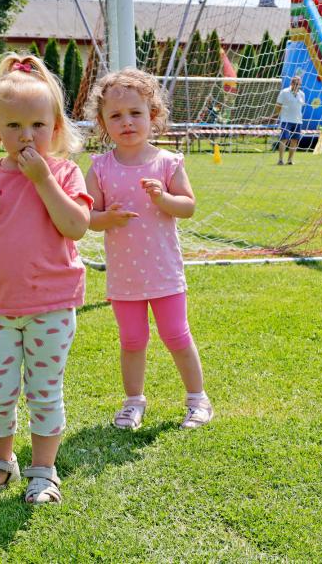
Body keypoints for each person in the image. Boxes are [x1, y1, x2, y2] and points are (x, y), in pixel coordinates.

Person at [0, 53, 92, 504]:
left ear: (56, 127)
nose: (26, 135)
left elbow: (76, 226)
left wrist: (43, 180)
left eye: (37, 125)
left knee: (44, 392)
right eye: (13, 125)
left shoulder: (65, 172)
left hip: (51, 306)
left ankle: (44, 471)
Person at [83, 68, 213, 431]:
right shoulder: (100, 168)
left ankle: (197, 399)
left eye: (135, 113)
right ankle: (133, 402)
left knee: (176, 335)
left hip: (164, 273)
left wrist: (164, 198)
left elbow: (188, 206)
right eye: (115, 116)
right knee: (132, 340)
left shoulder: (167, 162)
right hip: (124, 278)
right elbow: (88, 218)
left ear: (152, 115)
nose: (126, 122)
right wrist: (107, 218)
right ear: (102, 122)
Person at [273, 75, 305, 165]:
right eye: (295, 83)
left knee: (295, 140)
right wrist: (279, 115)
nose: (297, 85)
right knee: (284, 139)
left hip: (298, 121)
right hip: (286, 120)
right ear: (291, 83)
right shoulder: (284, 92)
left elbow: (300, 106)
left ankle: (290, 160)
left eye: (299, 84)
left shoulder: (302, 94)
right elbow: (278, 105)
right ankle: (280, 160)